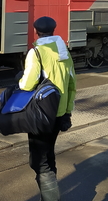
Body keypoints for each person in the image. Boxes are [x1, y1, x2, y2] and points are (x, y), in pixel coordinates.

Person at [19, 16, 77, 201]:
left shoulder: (36, 53)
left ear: (37, 32)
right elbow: (71, 85)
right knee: (48, 155)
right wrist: (67, 112)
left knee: (40, 162)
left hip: (41, 115)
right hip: (59, 114)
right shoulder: (64, 52)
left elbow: (27, 85)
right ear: (53, 30)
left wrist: (19, 79)